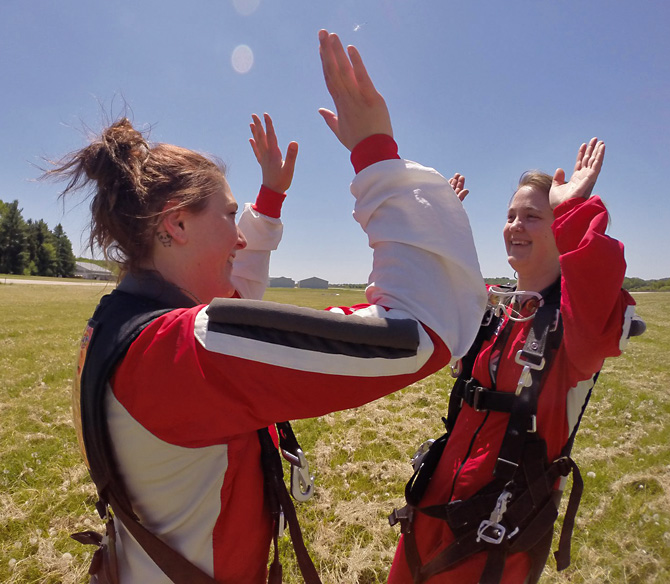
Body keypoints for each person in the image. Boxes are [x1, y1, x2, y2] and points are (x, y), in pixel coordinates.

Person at [52, 30, 486, 583]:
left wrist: (269, 198)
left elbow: (237, 303)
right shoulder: (184, 352)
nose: (239, 240)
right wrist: (376, 154)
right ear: (177, 223)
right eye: (228, 218)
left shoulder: (121, 323)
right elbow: (418, 332)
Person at [388, 139, 639, 583]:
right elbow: (428, 296)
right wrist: (438, 227)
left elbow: (599, 278)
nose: (515, 225)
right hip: (438, 496)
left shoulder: (575, 325)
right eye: (510, 216)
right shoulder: (497, 309)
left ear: (558, 226)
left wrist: (574, 206)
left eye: (533, 216)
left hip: (500, 520)